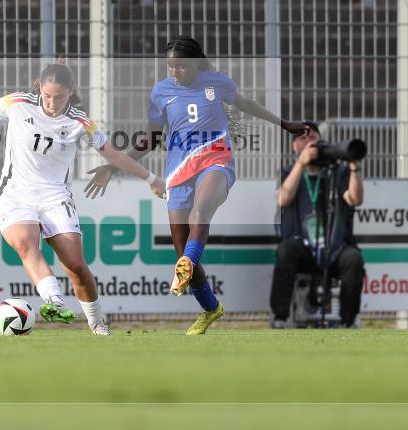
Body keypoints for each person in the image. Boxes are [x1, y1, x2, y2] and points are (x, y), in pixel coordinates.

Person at [0, 62, 166, 336]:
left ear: (71, 92)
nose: (51, 102)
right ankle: (54, 301)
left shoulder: (80, 121)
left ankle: (97, 323)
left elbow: (114, 154)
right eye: (47, 95)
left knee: (76, 265)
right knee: (26, 243)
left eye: (59, 97)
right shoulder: (18, 102)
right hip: (16, 193)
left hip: (55, 197)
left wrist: (152, 179)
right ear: (39, 87)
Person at [84, 35, 306, 335]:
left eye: (180, 67)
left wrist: (283, 123)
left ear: (195, 64)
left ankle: (186, 265)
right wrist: (113, 166)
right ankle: (211, 308)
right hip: (178, 173)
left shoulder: (215, 83)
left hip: (216, 160)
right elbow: (151, 138)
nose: (174, 72)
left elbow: (246, 103)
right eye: (169, 66)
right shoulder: (161, 92)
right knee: (183, 251)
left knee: (200, 214)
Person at [270, 121, 365, 328]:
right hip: (302, 248)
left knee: (353, 259)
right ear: (295, 146)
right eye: (302, 138)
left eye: (312, 137)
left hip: (334, 247)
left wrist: (354, 167)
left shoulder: (336, 171)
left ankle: (348, 321)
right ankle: (280, 318)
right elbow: (283, 199)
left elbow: (355, 199)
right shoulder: (287, 172)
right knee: (286, 251)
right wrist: (300, 164)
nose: (309, 142)